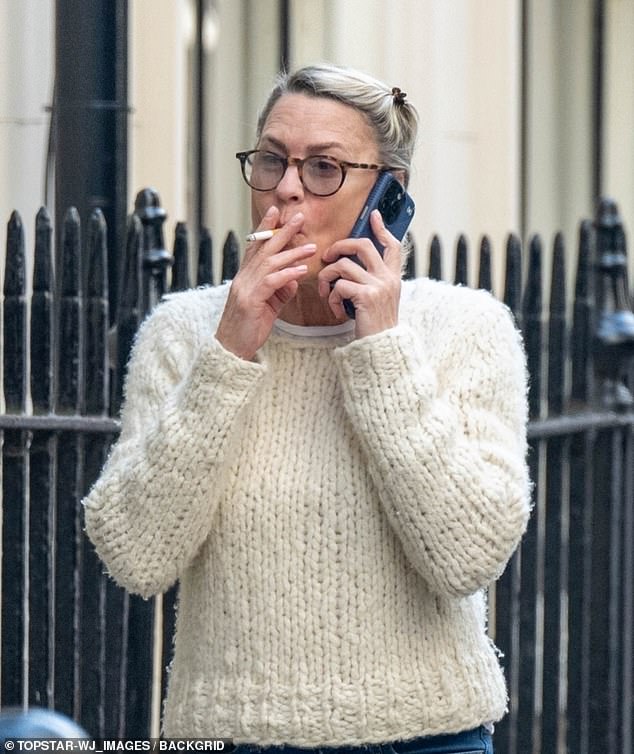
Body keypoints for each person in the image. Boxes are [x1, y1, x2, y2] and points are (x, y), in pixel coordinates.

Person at [84, 63, 530, 754]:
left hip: (428, 737)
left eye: (323, 167)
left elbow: (467, 555)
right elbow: (137, 557)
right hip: (232, 736)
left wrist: (382, 348)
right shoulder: (184, 332)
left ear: (388, 191)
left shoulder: (465, 330)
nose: (286, 187)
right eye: (270, 160)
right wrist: (230, 353)